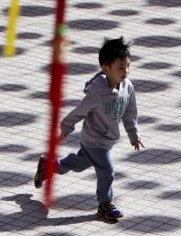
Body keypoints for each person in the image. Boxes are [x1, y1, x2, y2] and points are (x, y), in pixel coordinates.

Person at [34, 36, 145, 221]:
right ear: (105, 68)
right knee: (107, 170)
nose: (125, 71)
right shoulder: (96, 93)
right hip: (94, 141)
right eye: (120, 67)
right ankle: (105, 204)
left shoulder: (128, 87)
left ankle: (48, 165)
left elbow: (130, 112)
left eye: (127, 66)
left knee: (76, 165)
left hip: (107, 141)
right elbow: (78, 113)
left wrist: (134, 134)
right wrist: (64, 130)